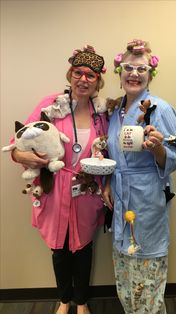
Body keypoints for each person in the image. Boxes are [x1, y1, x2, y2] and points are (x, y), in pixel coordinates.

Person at [10, 45, 108, 314]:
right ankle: (64, 300)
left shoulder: (102, 115)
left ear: (98, 81)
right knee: (59, 248)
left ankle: (82, 302)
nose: (83, 79)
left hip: (87, 189)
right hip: (54, 189)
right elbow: (19, 142)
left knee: (84, 246)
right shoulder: (51, 106)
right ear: (70, 75)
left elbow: (110, 151)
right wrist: (21, 155)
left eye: (90, 75)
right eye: (78, 73)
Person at [103, 39, 176, 314]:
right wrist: (106, 183)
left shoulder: (159, 108)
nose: (134, 73)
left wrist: (158, 147)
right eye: (128, 67)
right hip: (121, 203)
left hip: (147, 203)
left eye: (141, 68)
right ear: (119, 72)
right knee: (126, 282)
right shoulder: (117, 112)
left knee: (147, 284)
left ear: (151, 74)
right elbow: (113, 157)